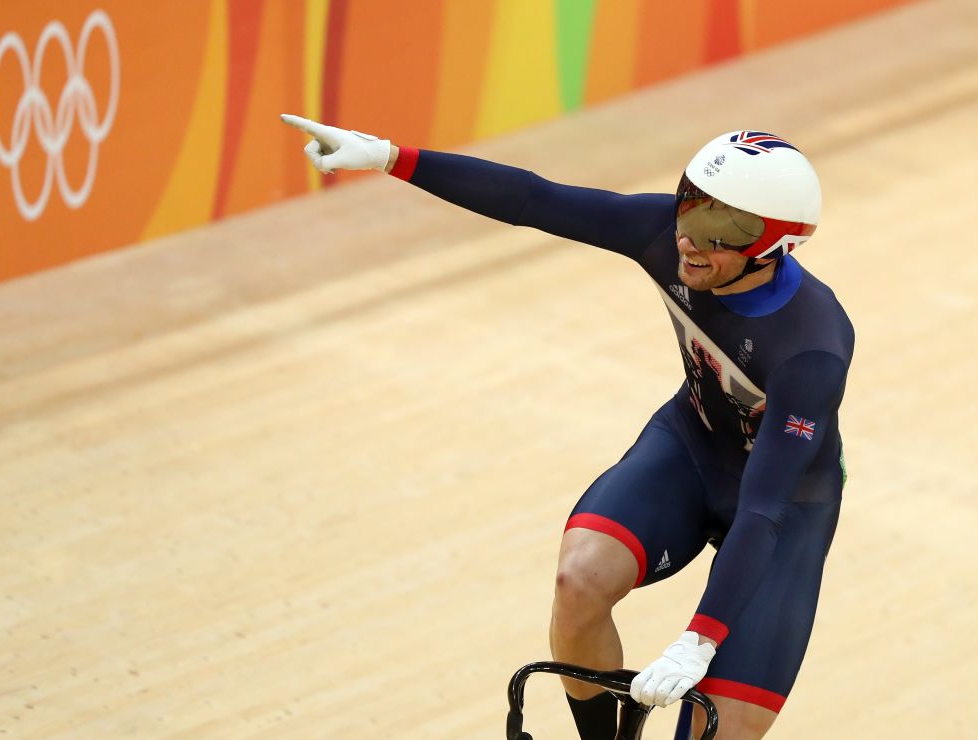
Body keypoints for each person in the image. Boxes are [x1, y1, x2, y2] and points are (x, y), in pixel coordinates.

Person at [280, 115, 853, 740]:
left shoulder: (812, 348)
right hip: (692, 449)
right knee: (578, 582)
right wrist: (392, 156)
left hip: (784, 507)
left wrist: (698, 640)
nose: (691, 240)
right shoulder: (666, 234)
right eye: (692, 207)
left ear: (776, 246)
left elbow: (764, 509)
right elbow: (535, 199)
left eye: (722, 230)